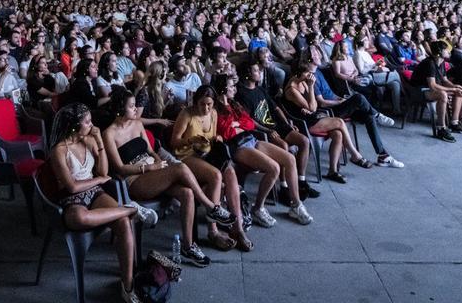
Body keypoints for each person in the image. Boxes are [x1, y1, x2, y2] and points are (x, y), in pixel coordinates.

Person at [103, 89, 235, 268]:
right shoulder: (109, 134)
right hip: (134, 179)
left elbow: (151, 151)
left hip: (155, 172)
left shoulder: (137, 125)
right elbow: (119, 168)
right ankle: (211, 206)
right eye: (132, 106)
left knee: (187, 193)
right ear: (120, 109)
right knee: (180, 167)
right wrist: (149, 167)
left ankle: (188, 246)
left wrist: (159, 164)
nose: (136, 110)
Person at [50, 104, 154, 303]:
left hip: (95, 194)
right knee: (79, 217)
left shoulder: (89, 140)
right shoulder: (59, 150)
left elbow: (104, 172)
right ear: (74, 126)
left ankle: (128, 285)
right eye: (87, 122)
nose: (92, 125)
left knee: (123, 224)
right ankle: (129, 209)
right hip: (72, 198)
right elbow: (71, 187)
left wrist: (98, 141)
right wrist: (98, 180)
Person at [213, 73, 312, 226]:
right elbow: (225, 133)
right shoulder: (216, 110)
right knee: (274, 168)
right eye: (231, 86)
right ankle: (258, 208)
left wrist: (236, 125)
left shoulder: (234, 104)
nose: (234, 88)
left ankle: (296, 205)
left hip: (251, 140)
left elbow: (249, 124)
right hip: (237, 147)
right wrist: (237, 126)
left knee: (290, 159)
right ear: (223, 89)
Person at [169, 86, 250, 252]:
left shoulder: (213, 113)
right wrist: (190, 140)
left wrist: (216, 138)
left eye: (209, 104)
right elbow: (174, 142)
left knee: (230, 171)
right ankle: (213, 231)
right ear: (196, 102)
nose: (206, 108)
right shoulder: (186, 114)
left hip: (206, 153)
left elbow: (212, 137)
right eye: (202, 104)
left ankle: (237, 228)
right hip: (187, 156)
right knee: (215, 175)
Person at [234, 62, 318, 200]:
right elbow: (249, 120)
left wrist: (287, 123)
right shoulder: (242, 94)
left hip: (277, 125)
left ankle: (301, 181)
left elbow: (276, 108)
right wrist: (267, 130)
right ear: (248, 74)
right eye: (256, 70)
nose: (260, 72)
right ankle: (283, 187)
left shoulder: (260, 89)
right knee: (284, 146)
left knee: (304, 141)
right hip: (263, 130)